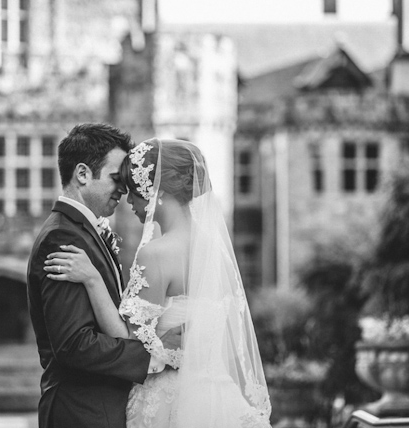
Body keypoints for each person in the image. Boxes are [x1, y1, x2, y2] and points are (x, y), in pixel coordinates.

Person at [44, 138, 272, 427]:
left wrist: (92, 279)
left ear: (157, 193)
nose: (128, 202)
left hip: (168, 400)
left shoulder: (156, 254)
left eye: (135, 193)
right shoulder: (215, 249)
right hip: (216, 394)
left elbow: (126, 336)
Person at [27, 124, 181, 428]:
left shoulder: (82, 232)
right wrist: (154, 356)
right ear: (83, 174)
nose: (124, 189)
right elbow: (74, 344)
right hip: (83, 412)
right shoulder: (62, 238)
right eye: (115, 178)